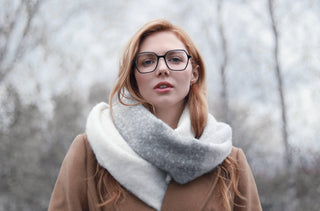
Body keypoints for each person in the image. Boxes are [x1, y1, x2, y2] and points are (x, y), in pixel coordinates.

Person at [48, 19, 262, 211]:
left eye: (175, 59)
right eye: (148, 61)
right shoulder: (91, 152)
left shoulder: (228, 161)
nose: (162, 69)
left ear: (194, 73)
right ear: (134, 78)